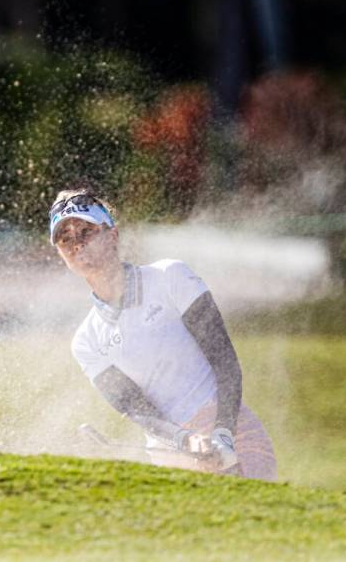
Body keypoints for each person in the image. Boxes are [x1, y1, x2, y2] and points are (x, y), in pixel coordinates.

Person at [50, 189, 277, 480]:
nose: (78, 244)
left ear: (112, 235)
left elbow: (225, 362)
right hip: (169, 450)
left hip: (232, 431)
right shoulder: (86, 341)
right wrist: (184, 440)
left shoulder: (171, 277)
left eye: (86, 231)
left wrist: (222, 433)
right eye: (65, 239)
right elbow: (135, 407)